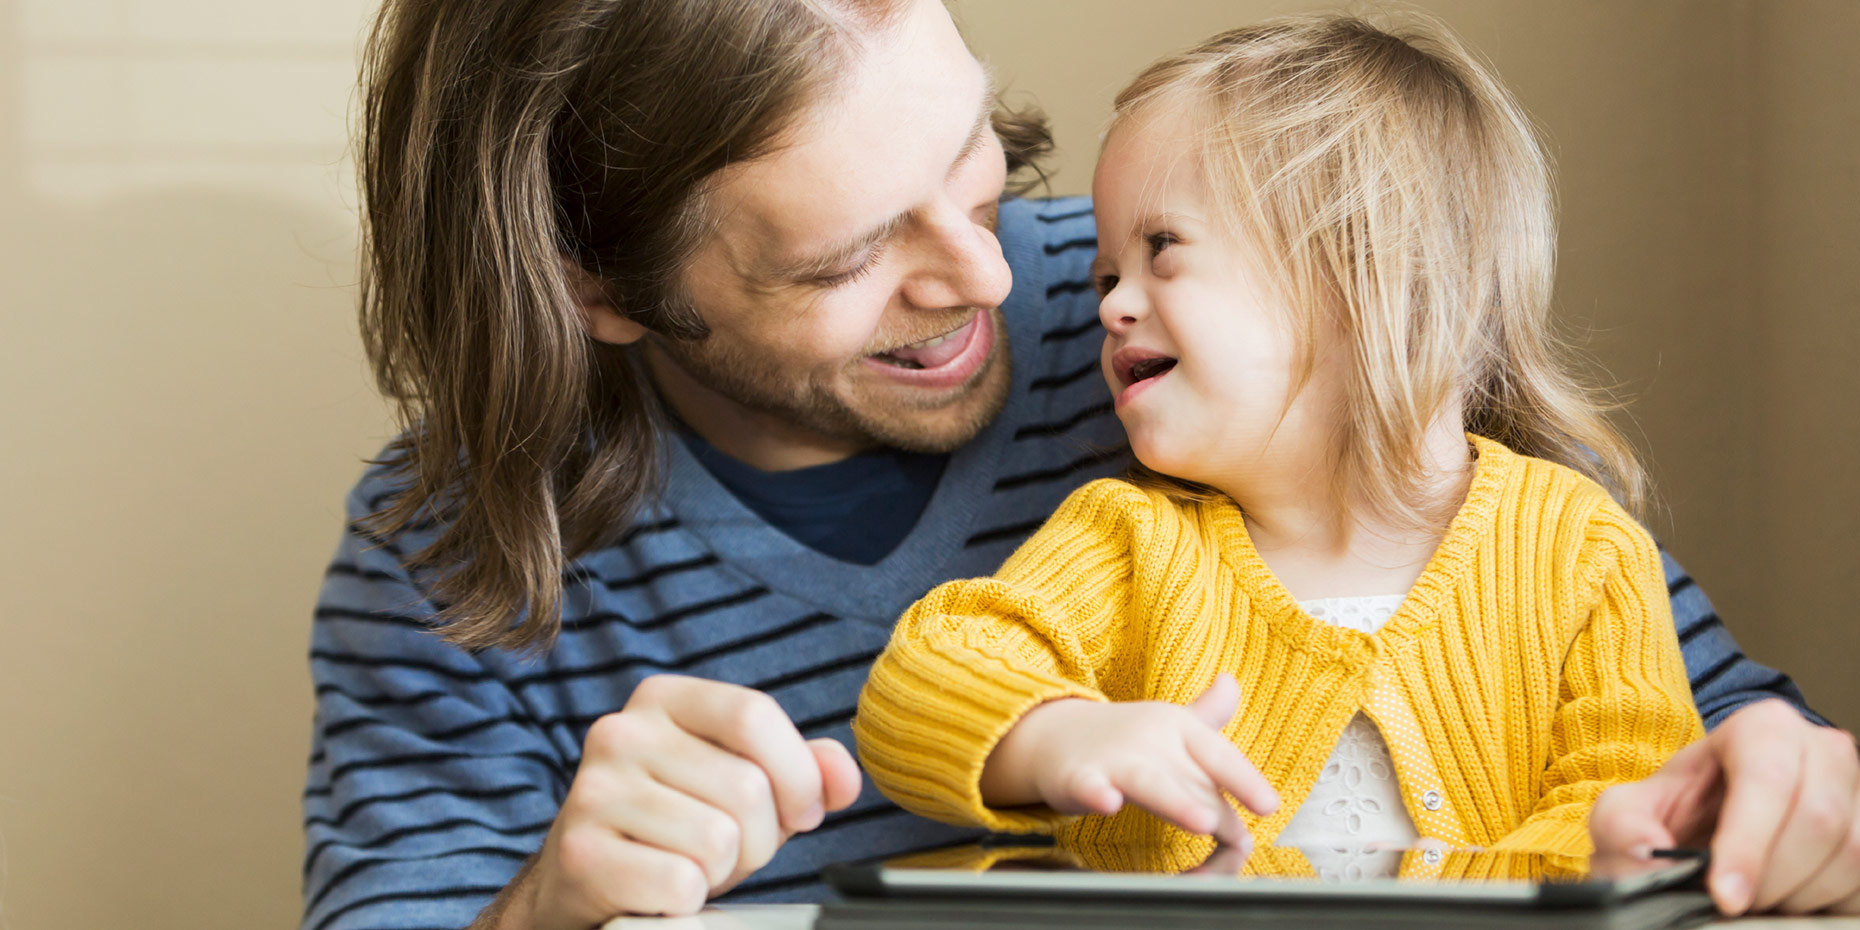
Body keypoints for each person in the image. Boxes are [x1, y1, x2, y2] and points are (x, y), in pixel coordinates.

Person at [302, 0, 1856, 927]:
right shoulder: (447, 558)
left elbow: (1678, 725)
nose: (995, 282)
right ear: (600, 286)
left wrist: (1788, 785)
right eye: (854, 256)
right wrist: (544, 909)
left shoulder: (1214, 326)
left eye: (975, 167)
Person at [856, 11, 1710, 878]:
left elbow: (1629, 800)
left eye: (1162, 249)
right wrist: (1056, 731)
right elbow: (920, 682)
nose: (1111, 306)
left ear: (1367, 271)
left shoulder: (1581, 549)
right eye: (1108, 275)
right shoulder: (1125, 540)